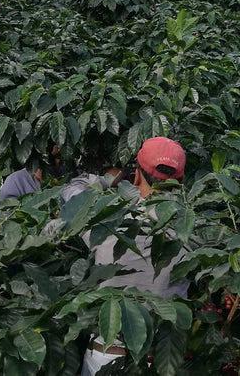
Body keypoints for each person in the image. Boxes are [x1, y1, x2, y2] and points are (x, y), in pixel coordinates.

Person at [81, 136, 188, 376]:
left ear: (137, 175)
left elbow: (73, 198)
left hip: (106, 355)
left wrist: (106, 179)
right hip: (159, 361)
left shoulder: (108, 220)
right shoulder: (192, 228)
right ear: (180, 182)